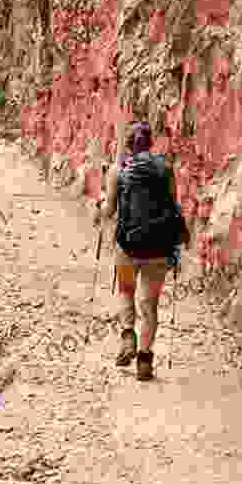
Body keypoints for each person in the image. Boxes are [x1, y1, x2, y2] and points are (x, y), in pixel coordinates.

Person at [93, 120, 189, 380]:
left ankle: (127, 337)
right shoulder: (166, 170)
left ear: (128, 145)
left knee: (126, 290)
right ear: (150, 143)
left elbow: (109, 210)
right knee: (150, 305)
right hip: (158, 248)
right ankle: (145, 361)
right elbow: (174, 207)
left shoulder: (117, 171)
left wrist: (99, 204)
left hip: (127, 247)